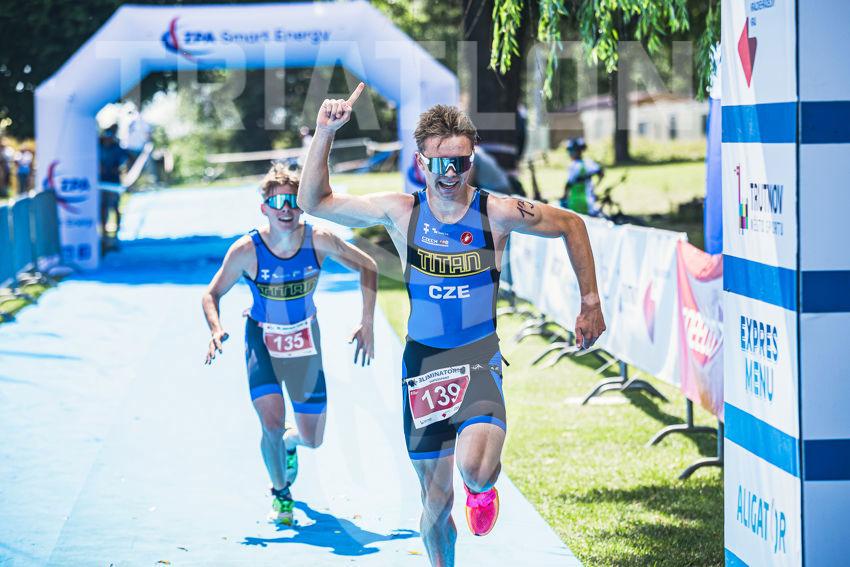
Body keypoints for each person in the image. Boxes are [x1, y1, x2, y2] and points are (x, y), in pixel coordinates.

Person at [300, 84, 606, 566]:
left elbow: (571, 224)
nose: (449, 174)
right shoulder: (401, 212)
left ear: (472, 159)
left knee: (476, 470)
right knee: (436, 504)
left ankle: (482, 490)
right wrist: (324, 132)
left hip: (478, 357)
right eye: (440, 162)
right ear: (420, 162)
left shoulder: (496, 212)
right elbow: (314, 202)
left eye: (460, 162)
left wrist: (590, 303)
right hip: (423, 366)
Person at [201, 163, 378, 526]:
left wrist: (367, 322)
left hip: (304, 342)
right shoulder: (246, 250)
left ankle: (290, 443)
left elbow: (368, 266)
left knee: (313, 439)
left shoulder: (319, 239)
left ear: (303, 206)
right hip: (262, 340)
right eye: (277, 202)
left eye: (293, 201)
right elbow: (211, 293)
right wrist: (216, 329)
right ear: (263, 208)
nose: (286, 209)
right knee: (270, 422)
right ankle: (281, 494)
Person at [98, 126, 129, 244]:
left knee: (114, 206)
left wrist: (120, 169)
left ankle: (116, 232)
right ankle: (104, 233)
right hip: (101, 182)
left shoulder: (117, 149)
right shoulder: (98, 147)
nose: (108, 140)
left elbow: (126, 159)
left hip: (114, 182)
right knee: (103, 207)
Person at [561, 137, 604, 215]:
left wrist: (563, 197)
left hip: (576, 202)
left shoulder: (573, 165)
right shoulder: (589, 163)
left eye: (571, 151)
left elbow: (568, 185)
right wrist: (594, 187)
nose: (569, 154)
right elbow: (601, 173)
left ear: (577, 152)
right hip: (589, 202)